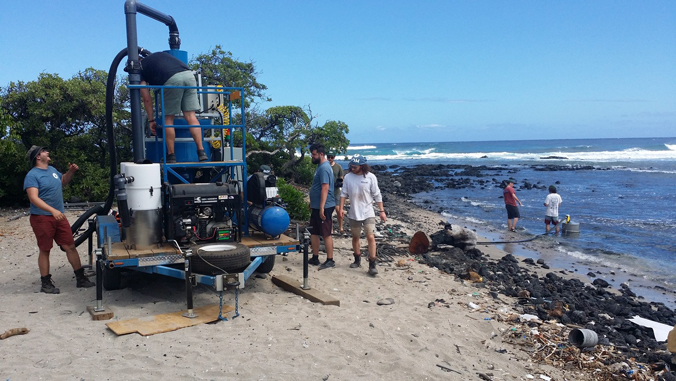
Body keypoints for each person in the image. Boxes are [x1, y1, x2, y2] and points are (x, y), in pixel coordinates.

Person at [23, 145, 95, 294]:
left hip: (58, 216)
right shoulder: (32, 175)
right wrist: (52, 210)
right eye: (44, 151)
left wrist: (70, 172)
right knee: (45, 249)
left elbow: (62, 181)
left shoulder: (52, 170)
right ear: (38, 157)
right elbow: (33, 198)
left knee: (70, 246)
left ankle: (80, 278)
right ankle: (46, 283)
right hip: (42, 218)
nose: (47, 152)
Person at [139, 51, 207, 164]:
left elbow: (146, 99)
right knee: (191, 116)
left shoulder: (140, 69)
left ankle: (171, 155)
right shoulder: (157, 56)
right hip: (189, 76)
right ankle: (201, 152)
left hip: (172, 80)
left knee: (168, 119)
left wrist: (151, 120)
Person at [339, 154, 386, 275]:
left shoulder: (370, 177)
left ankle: (372, 264)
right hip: (354, 213)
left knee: (370, 236)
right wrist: (341, 208)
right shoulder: (348, 177)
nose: (353, 169)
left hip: (368, 212)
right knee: (356, 237)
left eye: (355, 167)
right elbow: (343, 193)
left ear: (361, 166)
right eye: (351, 166)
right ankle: (357, 259)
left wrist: (382, 211)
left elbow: (377, 194)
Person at [307, 143, 336, 270]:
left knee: (326, 233)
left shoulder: (324, 167)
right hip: (316, 205)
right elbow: (317, 187)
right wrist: (312, 202)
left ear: (321, 154)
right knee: (314, 231)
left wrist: (322, 207)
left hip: (325, 205)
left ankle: (330, 259)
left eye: (314, 154)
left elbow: (325, 187)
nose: (312, 157)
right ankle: (315, 256)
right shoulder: (320, 166)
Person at [327, 153, 345, 235]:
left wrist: (339, 182)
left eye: (331, 157)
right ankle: (330, 228)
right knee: (329, 211)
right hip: (327, 191)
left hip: (336, 191)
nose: (330, 158)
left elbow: (341, 177)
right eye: (328, 157)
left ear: (334, 157)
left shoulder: (338, 167)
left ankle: (341, 227)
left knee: (338, 209)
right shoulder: (325, 166)